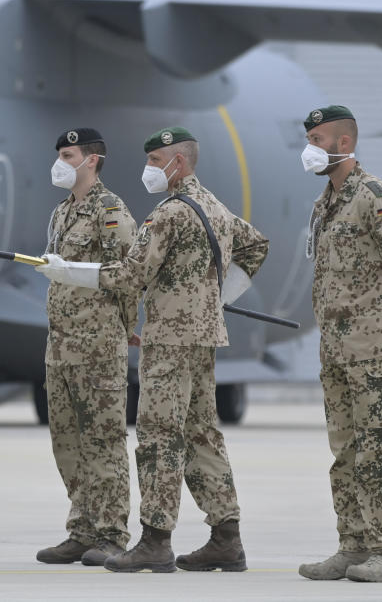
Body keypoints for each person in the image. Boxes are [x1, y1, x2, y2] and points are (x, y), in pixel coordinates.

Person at [37, 127, 269, 574]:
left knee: (159, 437)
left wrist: (70, 272)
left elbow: (127, 275)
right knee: (202, 433)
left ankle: (155, 541)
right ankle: (226, 537)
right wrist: (216, 298)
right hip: (202, 337)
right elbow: (256, 244)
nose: (148, 168)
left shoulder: (167, 214)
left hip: (170, 339)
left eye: (155, 160)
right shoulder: (213, 206)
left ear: (177, 163)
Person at [297, 106, 382, 583]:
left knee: (379, 449)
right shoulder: (325, 203)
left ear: (344, 142)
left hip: (374, 347)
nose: (310, 147)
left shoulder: (375, 199)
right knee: (345, 450)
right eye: (309, 138)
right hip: (335, 349)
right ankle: (352, 546)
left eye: (317, 138)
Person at [36, 128, 139, 567]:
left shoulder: (110, 211)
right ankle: (82, 529)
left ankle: (112, 533)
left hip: (98, 344)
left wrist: (128, 325)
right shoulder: (61, 213)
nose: (60, 161)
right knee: (67, 441)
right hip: (59, 345)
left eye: (67, 154)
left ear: (91, 160)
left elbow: (129, 271)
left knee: (104, 440)